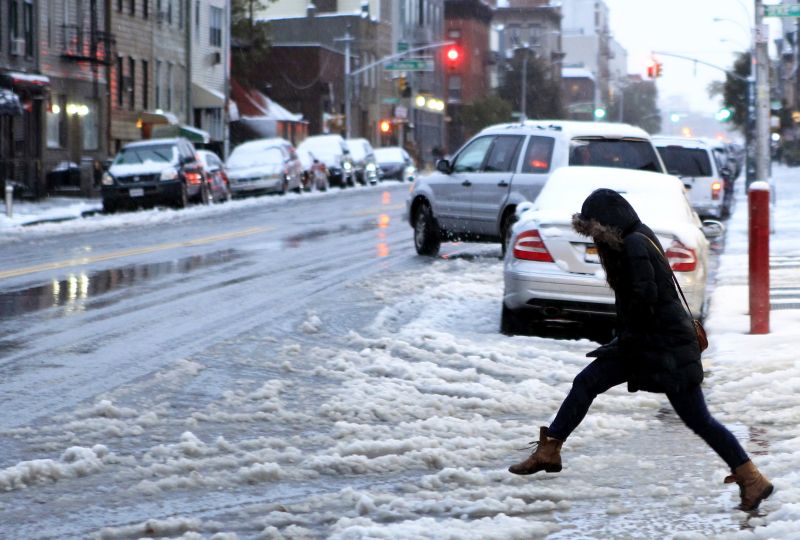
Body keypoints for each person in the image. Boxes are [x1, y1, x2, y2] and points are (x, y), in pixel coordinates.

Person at [507, 188, 774, 511]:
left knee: (697, 418)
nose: (595, 240)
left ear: (607, 224)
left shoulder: (634, 244)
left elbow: (644, 299)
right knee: (589, 383)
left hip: (663, 347)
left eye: (595, 232)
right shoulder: (636, 238)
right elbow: (641, 301)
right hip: (651, 344)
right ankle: (550, 450)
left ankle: (752, 479)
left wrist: (624, 341)